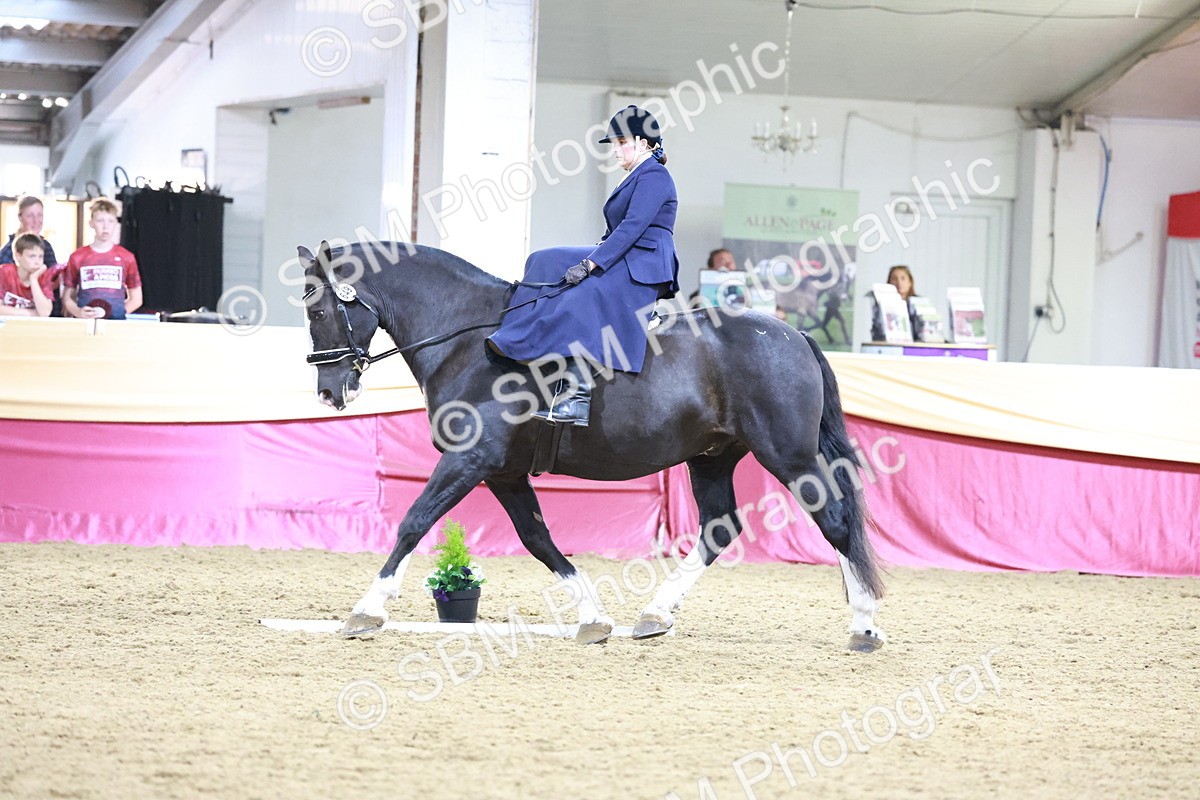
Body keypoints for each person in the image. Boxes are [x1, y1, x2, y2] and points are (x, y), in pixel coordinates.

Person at [487, 105, 679, 427]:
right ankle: (515, 344)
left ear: (643, 143)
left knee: (582, 298)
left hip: (643, 263)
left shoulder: (655, 176)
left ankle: (576, 397)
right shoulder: (634, 175)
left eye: (621, 143)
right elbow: (614, 232)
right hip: (626, 253)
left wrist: (590, 264)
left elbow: (632, 227)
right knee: (543, 258)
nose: (616, 150)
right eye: (614, 144)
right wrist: (589, 256)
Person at [62, 199, 143, 320]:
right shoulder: (78, 257)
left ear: (116, 223)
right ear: (91, 223)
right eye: (100, 221)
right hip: (85, 324)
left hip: (116, 326)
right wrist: (78, 312)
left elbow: (137, 298)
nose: (105, 226)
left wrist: (119, 313)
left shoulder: (126, 257)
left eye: (110, 221)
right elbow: (68, 297)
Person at [0, 233, 54, 317]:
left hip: (31, 327)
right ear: (18, 256)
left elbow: (45, 312)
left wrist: (33, 279)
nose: (37, 262)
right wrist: (33, 313)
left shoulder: (43, 276)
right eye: (32, 256)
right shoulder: (4, 272)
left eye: (40, 256)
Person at [0, 196, 59, 269]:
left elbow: (55, 276)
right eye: (30, 216)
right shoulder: (8, 252)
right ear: (20, 217)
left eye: (39, 215)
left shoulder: (47, 247)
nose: (36, 221)